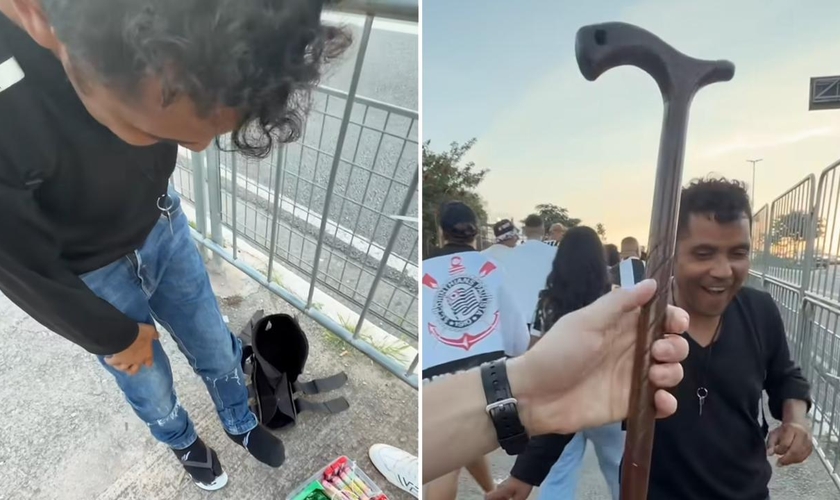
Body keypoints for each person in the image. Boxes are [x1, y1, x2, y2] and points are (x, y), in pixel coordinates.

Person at [0, 0, 349, 491]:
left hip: (162, 223)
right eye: (149, 130)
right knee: (148, 382)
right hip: (88, 274)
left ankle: (241, 421)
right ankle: (181, 439)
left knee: (215, 344)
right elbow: (13, 259)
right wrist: (109, 334)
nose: (195, 149)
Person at [423, 278, 691, 483]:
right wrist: (529, 390)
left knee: (561, 476)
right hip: (595, 405)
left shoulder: (548, 299)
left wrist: (527, 386)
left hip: (577, 405)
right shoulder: (607, 291)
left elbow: (530, 344)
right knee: (615, 469)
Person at [645, 177, 812, 499]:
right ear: (671, 253)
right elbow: (582, 395)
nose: (723, 270)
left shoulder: (759, 310)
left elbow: (786, 376)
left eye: (738, 253)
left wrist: (797, 422)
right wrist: (528, 472)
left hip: (746, 492)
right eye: (704, 253)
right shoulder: (643, 317)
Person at [491, 226, 623, 500]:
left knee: (558, 478)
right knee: (619, 474)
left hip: (560, 401)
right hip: (607, 401)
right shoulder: (615, 298)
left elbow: (535, 354)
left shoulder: (548, 301)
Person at [423, 201, 530, 500]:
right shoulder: (492, 269)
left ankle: (490, 490)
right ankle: (492, 491)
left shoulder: (423, 271)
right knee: (451, 460)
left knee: (460, 448)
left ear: (441, 232)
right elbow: (518, 340)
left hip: (435, 381)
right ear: (474, 233)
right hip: (487, 381)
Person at [503, 214, 557, 327]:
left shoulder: (509, 255)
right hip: (544, 318)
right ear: (543, 230)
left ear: (525, 231)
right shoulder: (555, 253)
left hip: (518, 320)